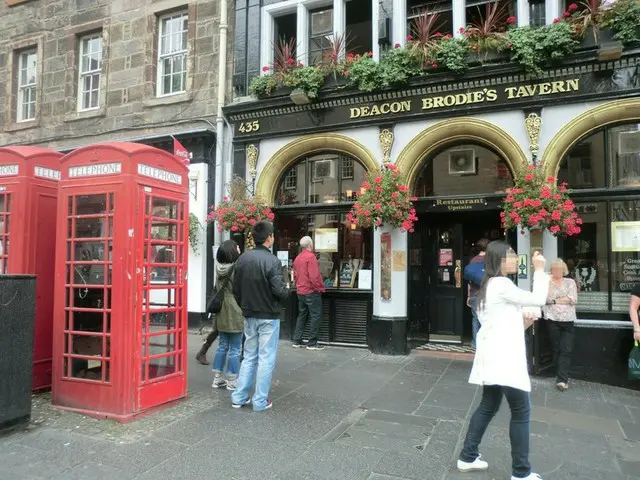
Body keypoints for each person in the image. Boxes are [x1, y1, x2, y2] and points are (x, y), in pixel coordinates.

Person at [457, 242, 549, 480]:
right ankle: (521, 472)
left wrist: (524, 323)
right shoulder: (501, 284)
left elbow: (500, 322)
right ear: (499, 259)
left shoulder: (488, 286)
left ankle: (468, 456)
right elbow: (538, 298)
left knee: (488, 406)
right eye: (512, 255)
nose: (516, 259)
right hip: (505, 358)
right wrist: (539, 269)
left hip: (493, 356)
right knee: (521, 410)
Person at [231, 221, 290, 412]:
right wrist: (288, 289)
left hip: (249, 314)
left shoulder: (242, 259)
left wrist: (244, 305)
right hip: (268, 316)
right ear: (270, 237)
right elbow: (280, 292)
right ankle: (260, 401)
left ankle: (239, 397)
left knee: (249, 356)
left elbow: (235, 289)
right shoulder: (273, 261)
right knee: (266, 358)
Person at [210, 240, 244, 390]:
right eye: (237, 247)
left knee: (222, 345)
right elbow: (241, 290)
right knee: (236, 348)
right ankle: (232, 380)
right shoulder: (236, 269)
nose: (239, 248)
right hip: (235, 309)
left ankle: (217, 378)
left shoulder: (219, 268)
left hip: (222, 309)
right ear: (232, 252)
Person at [544, 259, 578, 391]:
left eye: (559, 269)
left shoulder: (570, 282)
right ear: (551, 270)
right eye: (554, 269)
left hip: (568, 320)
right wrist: (562, 299)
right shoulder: (547, 282)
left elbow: (573, 299)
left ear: (564, 270)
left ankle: (562, 380)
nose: (557, 271)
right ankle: (559, 373)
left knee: (566, 349)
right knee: (556, 348)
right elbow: (544, 300)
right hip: (552, 319)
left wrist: (554, 300)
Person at [292, 236, 326, 350]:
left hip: (300, 291)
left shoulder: (297, 258)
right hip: (311, 291)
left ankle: (297, 340)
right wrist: (320, 288)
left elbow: (295, 276)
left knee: (302, 315)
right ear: (310, 245)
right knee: (316, 316)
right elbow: (314, 276)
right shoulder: (311, 257)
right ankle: (312, 342)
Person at [466, 238, 489, 348]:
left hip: (475, 293)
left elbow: (469, 280)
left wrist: (468, 296)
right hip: (489, 294)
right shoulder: (491, 260)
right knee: (488, 319)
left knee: (475, 319)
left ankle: (476, 343)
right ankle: (487, 343)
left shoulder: (473, 260)